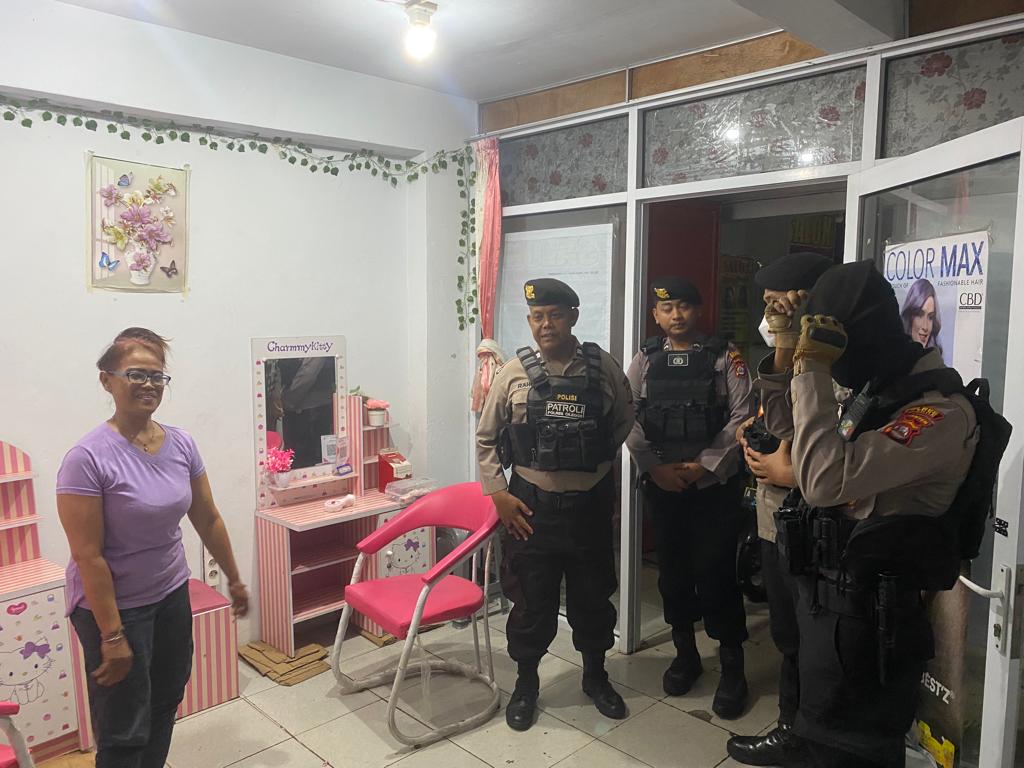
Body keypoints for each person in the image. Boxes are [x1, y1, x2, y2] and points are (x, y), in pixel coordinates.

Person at [760, 263, 978, 767]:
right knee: (822, 745)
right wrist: (789, 350)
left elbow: (820, 480)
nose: (835, 366)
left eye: (839, 351)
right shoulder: (875, 389)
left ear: (865, 337)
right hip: (836, 613)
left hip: (874, 631)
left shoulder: (936, 413)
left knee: (852, 754)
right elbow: (786, 430)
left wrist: (813, 371)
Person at [56, 328, 249, 768]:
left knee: (164, 703)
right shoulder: (86, 458)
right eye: (136, 374)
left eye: (157, 376)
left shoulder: (181, 443)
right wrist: (112, 635)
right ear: (107, 380)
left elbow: (207, 516)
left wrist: (235, 579)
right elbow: (88, 555)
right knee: (124, 729)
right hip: (116, 610)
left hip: (170, 596)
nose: (149, 384)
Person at [476, 279, 634, 732]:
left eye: (555, 315)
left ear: (573, 317)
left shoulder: (603, 367)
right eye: (537, 317)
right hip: (530, 510)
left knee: (593, 597)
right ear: (530, 321)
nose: (546, 324)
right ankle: (526, 684)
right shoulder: (512, 373)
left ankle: (596, 677)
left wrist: (592, 462)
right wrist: (499, 493)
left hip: (589, 507)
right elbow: (486, 437)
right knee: (531, 601)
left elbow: (625, 418)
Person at [625, 277, 756, 718]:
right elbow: (628, 415)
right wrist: (654, 467)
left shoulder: (724, 357)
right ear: (656, 315)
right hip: (664, 485)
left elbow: (742, 416)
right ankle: (686, 656)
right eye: (667, 308)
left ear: (698, 311)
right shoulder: (645, 359)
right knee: (674, 574)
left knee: (717, 573)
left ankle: (733, 667)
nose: (676, 315)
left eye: (684, 306)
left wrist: (705, 465)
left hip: (713, 488)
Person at [725, 252, 833, 765]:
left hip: (817, 527)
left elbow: (823, 440)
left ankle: (812, 737)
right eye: (767, 306)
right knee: (788, 635)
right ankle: (792, 730)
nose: (770, 318)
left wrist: (791, 471)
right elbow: (780, 419)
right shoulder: (782, 358)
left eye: (778, 305)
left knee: (817, 641)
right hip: (775, 522)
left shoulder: (835, 364)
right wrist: (757, 433)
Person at [900, 278, 944, 357]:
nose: (925, 327)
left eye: (930, 317)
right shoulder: (893, 356)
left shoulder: (935, 359)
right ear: (909, 316)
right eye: (919, 315)